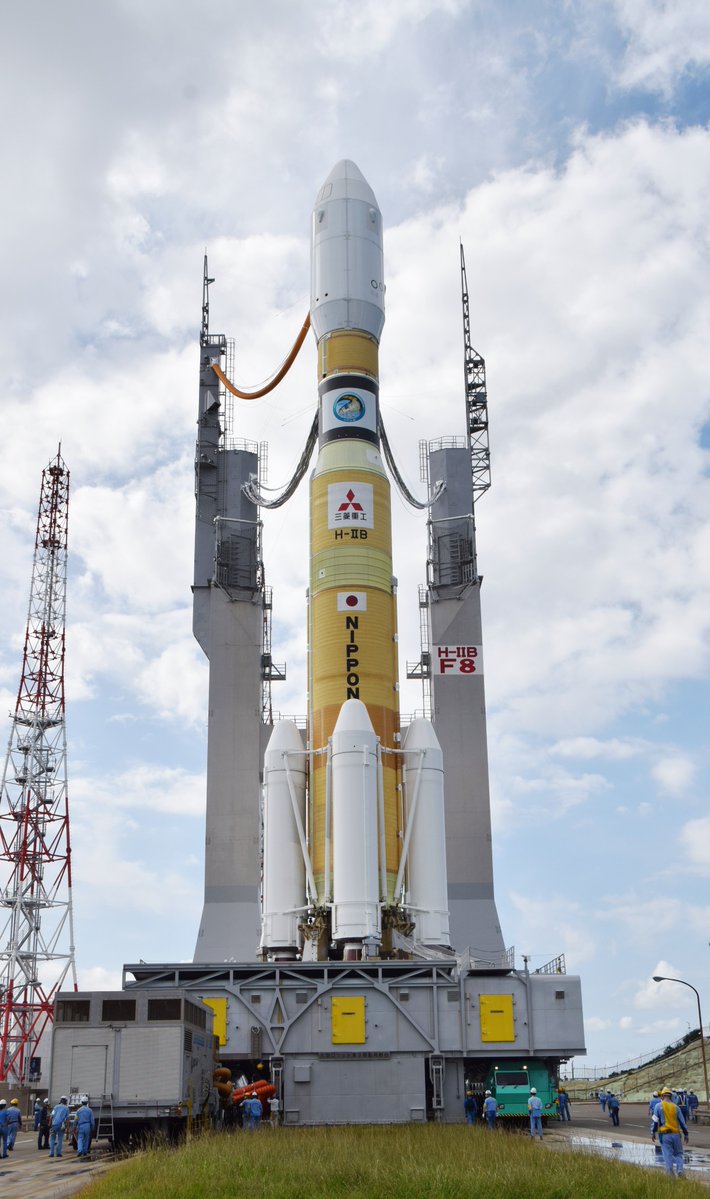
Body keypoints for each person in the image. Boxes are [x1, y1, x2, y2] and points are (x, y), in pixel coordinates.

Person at [652, 1087, 689, 1178]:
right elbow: (682, 1122)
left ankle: (670, 1176)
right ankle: (680, 1170)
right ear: (671, 1096)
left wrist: (653, 1133)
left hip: (665, 1135)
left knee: (667, 1155)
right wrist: (686, 1134)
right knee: (678, 1154)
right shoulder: (676, 1107)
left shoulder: (658, 1106)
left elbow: (655, 1121)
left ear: (662, 1096)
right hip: (676, 1134)